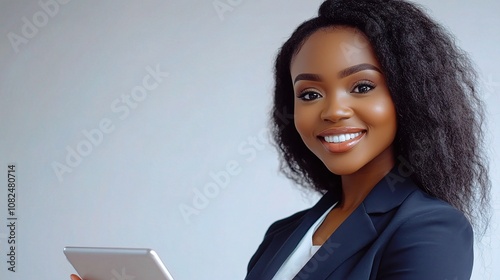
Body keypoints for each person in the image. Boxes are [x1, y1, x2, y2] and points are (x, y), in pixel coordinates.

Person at [244, 0, 490, 279]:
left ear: (408, 95)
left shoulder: (431, 228)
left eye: (362, 87)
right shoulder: (281, 234)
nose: (334, 111)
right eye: (310, 94)